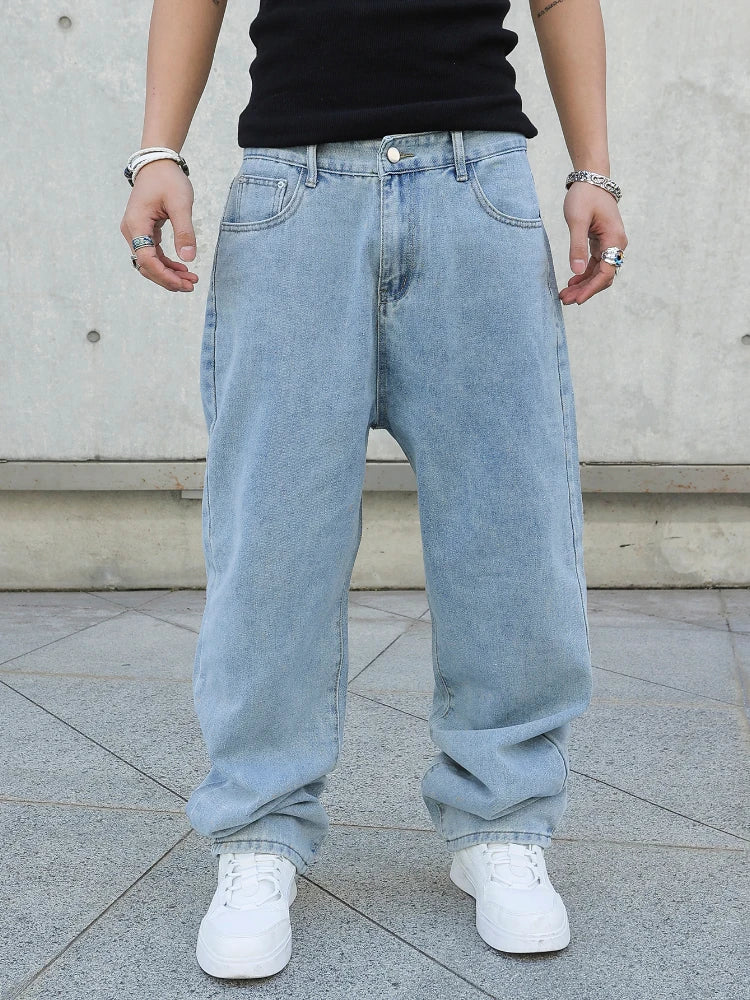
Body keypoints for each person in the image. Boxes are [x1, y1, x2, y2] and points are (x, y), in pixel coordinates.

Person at [120, 0, 628, 980]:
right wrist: (157, 152)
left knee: (510, 531)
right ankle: (258, 833)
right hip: (293, 188)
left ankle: (504, 821)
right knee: (273, 538)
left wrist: (592, 169)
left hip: (477, 180)